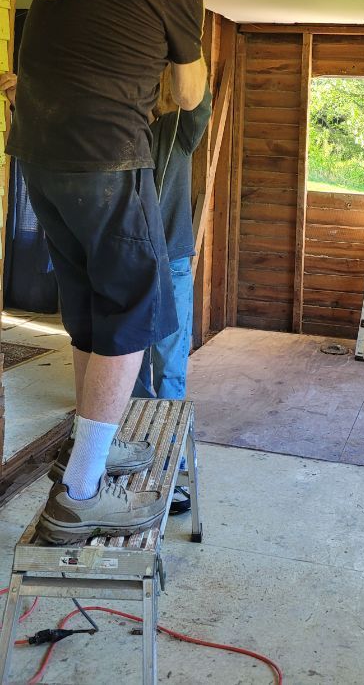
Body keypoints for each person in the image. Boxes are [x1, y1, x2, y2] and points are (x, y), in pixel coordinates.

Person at [3, 0, 207, 543]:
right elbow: (189, 94)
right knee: (130, 311)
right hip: (104, 161)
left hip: (39, 156)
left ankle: (97, 443)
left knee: (90, 303)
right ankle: (81, 495)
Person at [132, 84, 212, 513]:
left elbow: (199, 103)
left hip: (172, 264)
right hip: (128, 265)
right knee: (129, 370)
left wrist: (187, 59)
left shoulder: (175, 131)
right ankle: (133, 459)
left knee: (169, 369)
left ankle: (169, 470)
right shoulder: (111, 139)